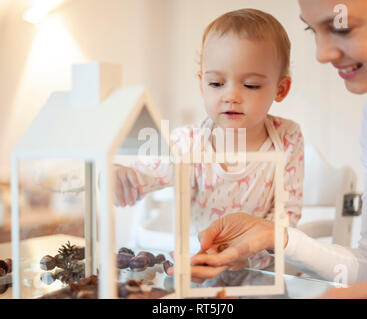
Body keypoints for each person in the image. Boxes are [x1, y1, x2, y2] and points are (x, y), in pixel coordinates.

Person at [190, 0, 367, 299]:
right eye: (313, 29)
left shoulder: (286, 137)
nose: (322, 54)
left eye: (343, 27)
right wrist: (275, 236)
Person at [114, 9, 304, 270]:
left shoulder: (287, 138)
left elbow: (286, 217)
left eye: (250, 85)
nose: (231, 96)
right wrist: (119, 176)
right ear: (202, 84)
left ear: (280, 89)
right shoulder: (187, 142)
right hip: (197, 271)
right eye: (217, 83)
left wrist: (246, 253)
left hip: (258, 275)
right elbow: (142, 175)